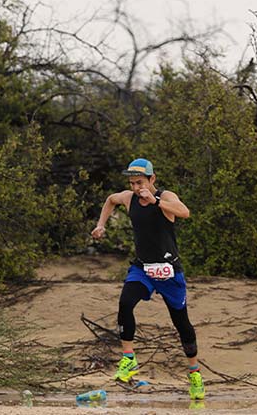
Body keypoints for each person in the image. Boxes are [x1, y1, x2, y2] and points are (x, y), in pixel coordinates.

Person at [91, 158, 205, 400]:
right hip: (143, 268)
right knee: (125, 302)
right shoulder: (129, 198)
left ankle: (194, 373)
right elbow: (110, 200)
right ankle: (128, 358)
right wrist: (101, 225)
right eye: (132, 183)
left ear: (152, 179)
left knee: (182, 323)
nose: (136, 188)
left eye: (140, 183)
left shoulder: (166, 197)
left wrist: (156, 201)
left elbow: (185, 212)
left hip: (169, 271)